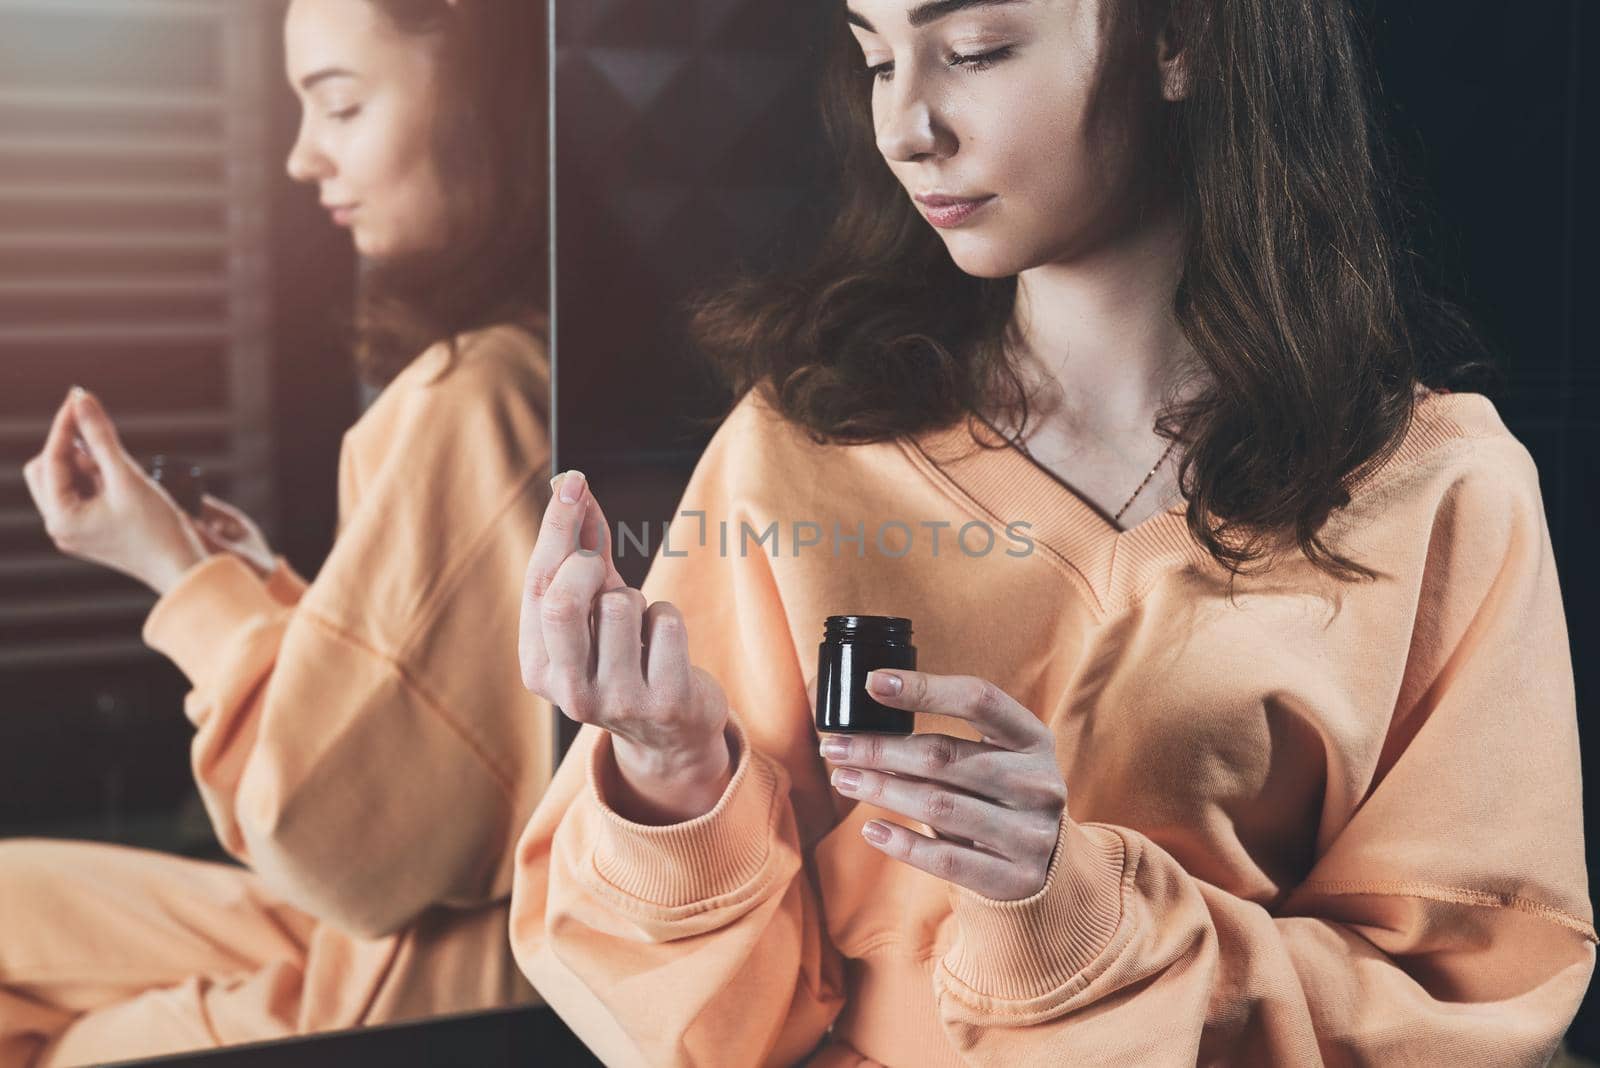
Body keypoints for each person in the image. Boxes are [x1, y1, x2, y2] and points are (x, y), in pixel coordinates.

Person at [506, 0, 1594, 1065]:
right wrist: (671, 776)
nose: (905, 128)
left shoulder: (1442, 488)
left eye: (973, 51)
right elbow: (709, 1039)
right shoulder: (795, 446)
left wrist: (1076, 912)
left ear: (1180, 40)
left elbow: (1472, 1010)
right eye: (877, 59)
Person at [5, 0, 552, 1064]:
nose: (303, 158)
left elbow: (335, 839)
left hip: (421, 972)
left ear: (486, 102)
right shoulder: (541, 364)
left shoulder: (473, 399)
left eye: (339, 105)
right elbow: (437, 723)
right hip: (400, 921)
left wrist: (174, 574)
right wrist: (262, 589)